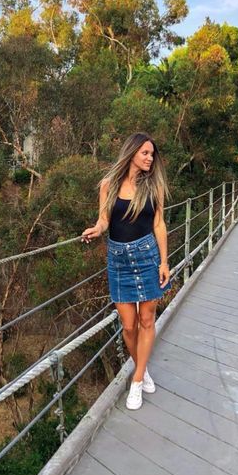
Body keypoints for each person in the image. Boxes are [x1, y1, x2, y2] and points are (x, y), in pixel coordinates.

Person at [81, 133, 170, 410]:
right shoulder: (108, 185)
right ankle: (142, 367)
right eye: (145, 153)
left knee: (146, 319)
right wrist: (97, 230)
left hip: (147, 256)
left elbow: (158, 224)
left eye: (152, 154)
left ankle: (137, 379)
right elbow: (104, 219)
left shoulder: (153, 187)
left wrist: (164, 262)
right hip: (118, 260)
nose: (149, 158)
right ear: (131, 152)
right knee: (128, 326)